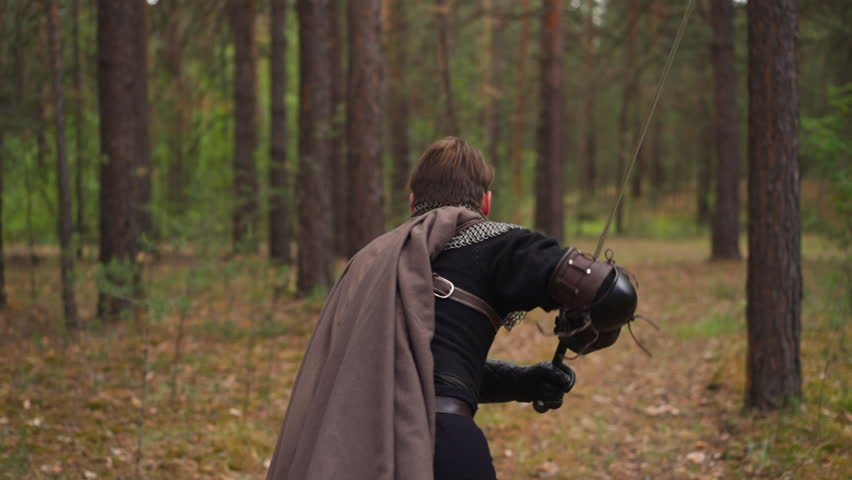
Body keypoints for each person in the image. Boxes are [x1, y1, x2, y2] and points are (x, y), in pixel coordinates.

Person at [265, 137, 636, 480]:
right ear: (485, 202)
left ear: (412, 202)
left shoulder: (369, 261)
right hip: (442, 449)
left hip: (347, 453)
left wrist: (523, 382)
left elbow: (417, 369)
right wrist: (583, 324)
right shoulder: (496, 243)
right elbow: (615, 295)